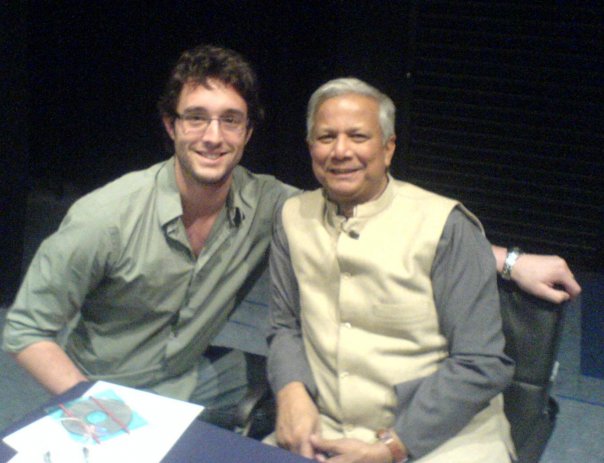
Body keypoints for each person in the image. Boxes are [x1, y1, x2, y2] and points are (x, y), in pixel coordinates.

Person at [2, 45, 579, 432]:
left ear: (249, 131)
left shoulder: (273, 205)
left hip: (195, 386)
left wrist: (509, 262)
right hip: (100, 396)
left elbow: (400, 226)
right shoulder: (103, 217)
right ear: (170, 126)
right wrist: (98, 412)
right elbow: (26, 330)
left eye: (230, 120)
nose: (212, 135)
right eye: (196, 117)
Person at [266, 77, 544, 462]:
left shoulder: (447, 225)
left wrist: (393, 448)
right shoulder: (291, 216)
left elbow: (481, 363)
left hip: (444, 434)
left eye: (358, 136)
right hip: (325, 426)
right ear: (311, 146)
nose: (340, 150)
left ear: (388, 147)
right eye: (326, 137)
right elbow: (285, 326)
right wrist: (291, 391)